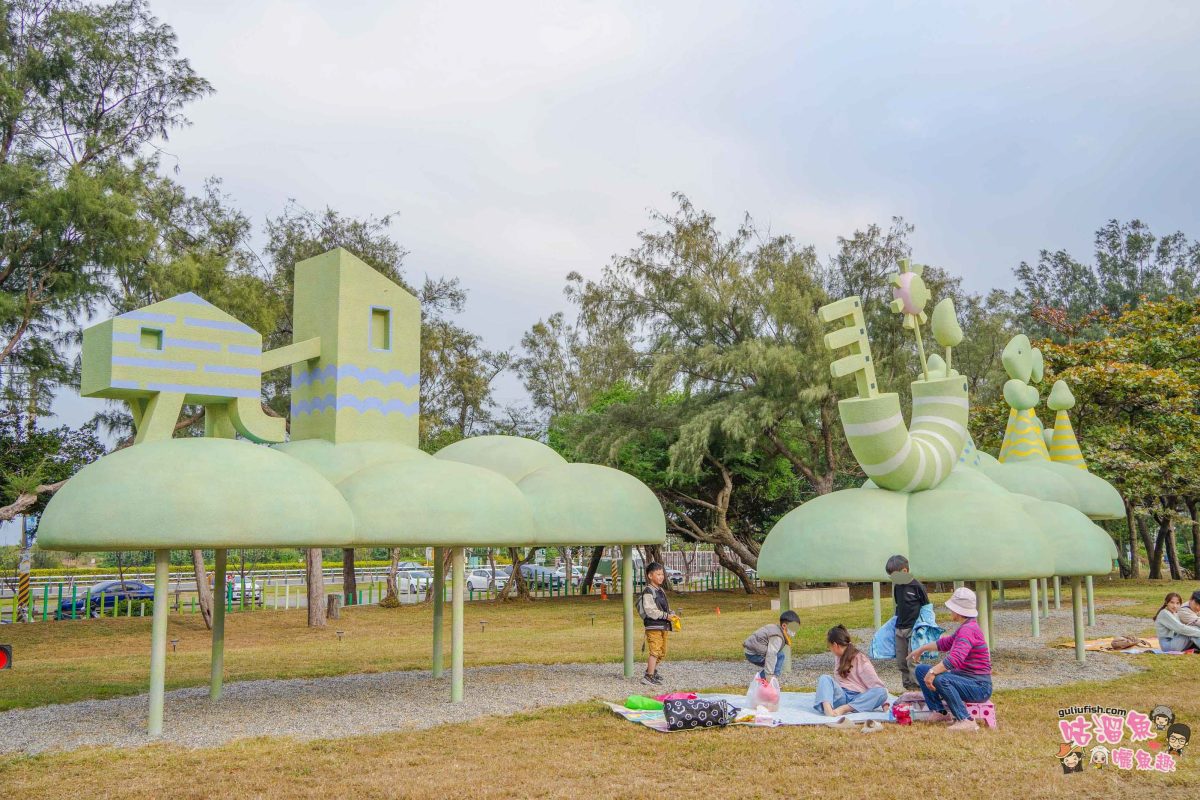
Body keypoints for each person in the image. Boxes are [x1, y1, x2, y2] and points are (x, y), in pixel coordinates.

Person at [907, 586, 992, 733]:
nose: (950, 611)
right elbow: (945, 643)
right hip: (966, 679)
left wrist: (933, 672)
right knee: (921, 670)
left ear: (958, 611)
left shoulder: (968, 630)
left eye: (952, 608)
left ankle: (965, 720)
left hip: (980, 686)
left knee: (941, 679)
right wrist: (922, 649)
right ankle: (940, 712)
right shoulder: (966, 627)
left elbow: (955, 659)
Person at [813, 625, 889, 717]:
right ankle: (828, 710)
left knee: (882, 692)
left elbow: (875, 683)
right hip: (841, 696)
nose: (830, 649)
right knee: (824, 678)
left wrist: (884, 704)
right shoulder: (838, 657)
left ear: (835, 645)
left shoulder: (860, 659)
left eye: (830, 646)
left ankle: (845, 709)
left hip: (858, 698)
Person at [886, 554, 929, 691]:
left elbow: (926, 607)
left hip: (914, 629)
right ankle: (908, 687)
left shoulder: (917, 586)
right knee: (902, 661)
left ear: (904, 571)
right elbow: (899, 605)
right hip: (900, 628)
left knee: (913, 661)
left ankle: (918, 688)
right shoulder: (897, 587)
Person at [637, 562, 677, 686]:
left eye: (662, 574)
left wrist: (670, 613)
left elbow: (662, 607)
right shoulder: (648, 591)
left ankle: (651, 671)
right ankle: (648, 677)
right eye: (658, 574)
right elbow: (650, 610)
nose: (661, 577)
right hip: (653, 626)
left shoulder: (660, 590)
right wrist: (666, 616)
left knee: (662, 651)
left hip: (663, 625)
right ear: (650, 575)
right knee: (655, 651)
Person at [743, 610, 801, 680]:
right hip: (753, 654)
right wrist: (769, 675)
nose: (795, 631)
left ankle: (764, 679)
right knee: (777, 658)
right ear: (784, 626)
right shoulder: (777, 638)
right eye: (793, 628)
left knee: (780, 655)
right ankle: (767, 680)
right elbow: (771, 655)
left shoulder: (777, 630)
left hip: (752, 650)